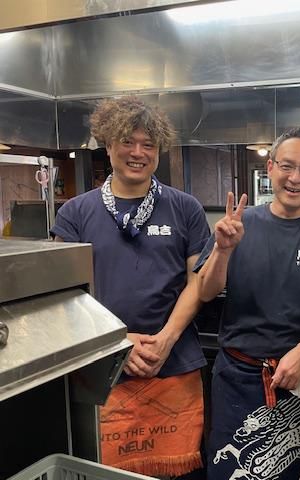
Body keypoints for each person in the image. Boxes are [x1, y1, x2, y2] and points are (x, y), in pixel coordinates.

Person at [51, 96, 210, 477]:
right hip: (103, 369)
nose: (138, 153)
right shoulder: (75, 213)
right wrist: (119, 342)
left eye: (148, 145)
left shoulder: (185, 208)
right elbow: (66, 295)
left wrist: (167, 338)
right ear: (108, 145)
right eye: (128, 141)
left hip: (173, 365)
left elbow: (199, 283)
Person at [195, 127, 300, 480]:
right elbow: (205, 292)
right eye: (287, 166)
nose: (295, 178)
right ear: (270, 168)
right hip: (237, 375)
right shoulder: (240, 224)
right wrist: (222, 249)